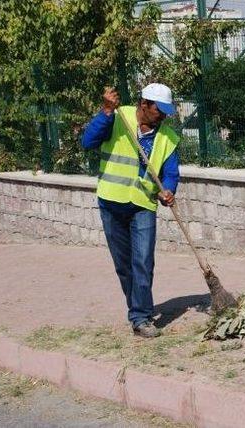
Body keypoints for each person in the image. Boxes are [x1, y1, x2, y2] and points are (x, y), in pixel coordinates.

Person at [81, 83, 180, 337]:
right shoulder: (117, 116)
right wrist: (105, 111)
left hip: (143, 205)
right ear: (144, 105)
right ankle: (136, 307)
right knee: (124, 265)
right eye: (160, 110)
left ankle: (141, 317)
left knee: (143, 262)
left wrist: (167, 191)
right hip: (111, 202)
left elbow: (170, 174)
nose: (164, 116)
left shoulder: (168, 137)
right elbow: (88, 141)